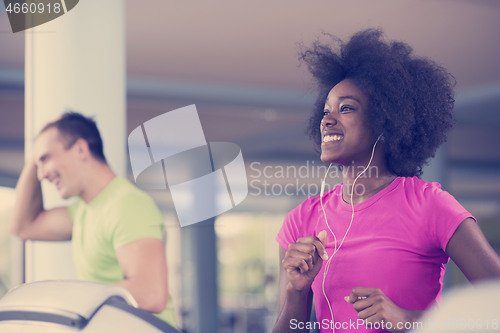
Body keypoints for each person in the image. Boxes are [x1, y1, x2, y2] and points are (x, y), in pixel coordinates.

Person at [273, 29, 500, 333]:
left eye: (347, 108)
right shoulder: (301, 220)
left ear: (384, 121)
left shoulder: (430, 205)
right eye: (326, 111)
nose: (327, 120)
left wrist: (407, 320)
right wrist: (295, 291)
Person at [9, 112, 177, 327]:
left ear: (80, 149)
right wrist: (34, 157)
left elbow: (150, 293)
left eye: (45, 159)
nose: (41, 175)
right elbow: (23, 227)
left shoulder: (126, 205)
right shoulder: (83, 211)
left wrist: (70, 298)